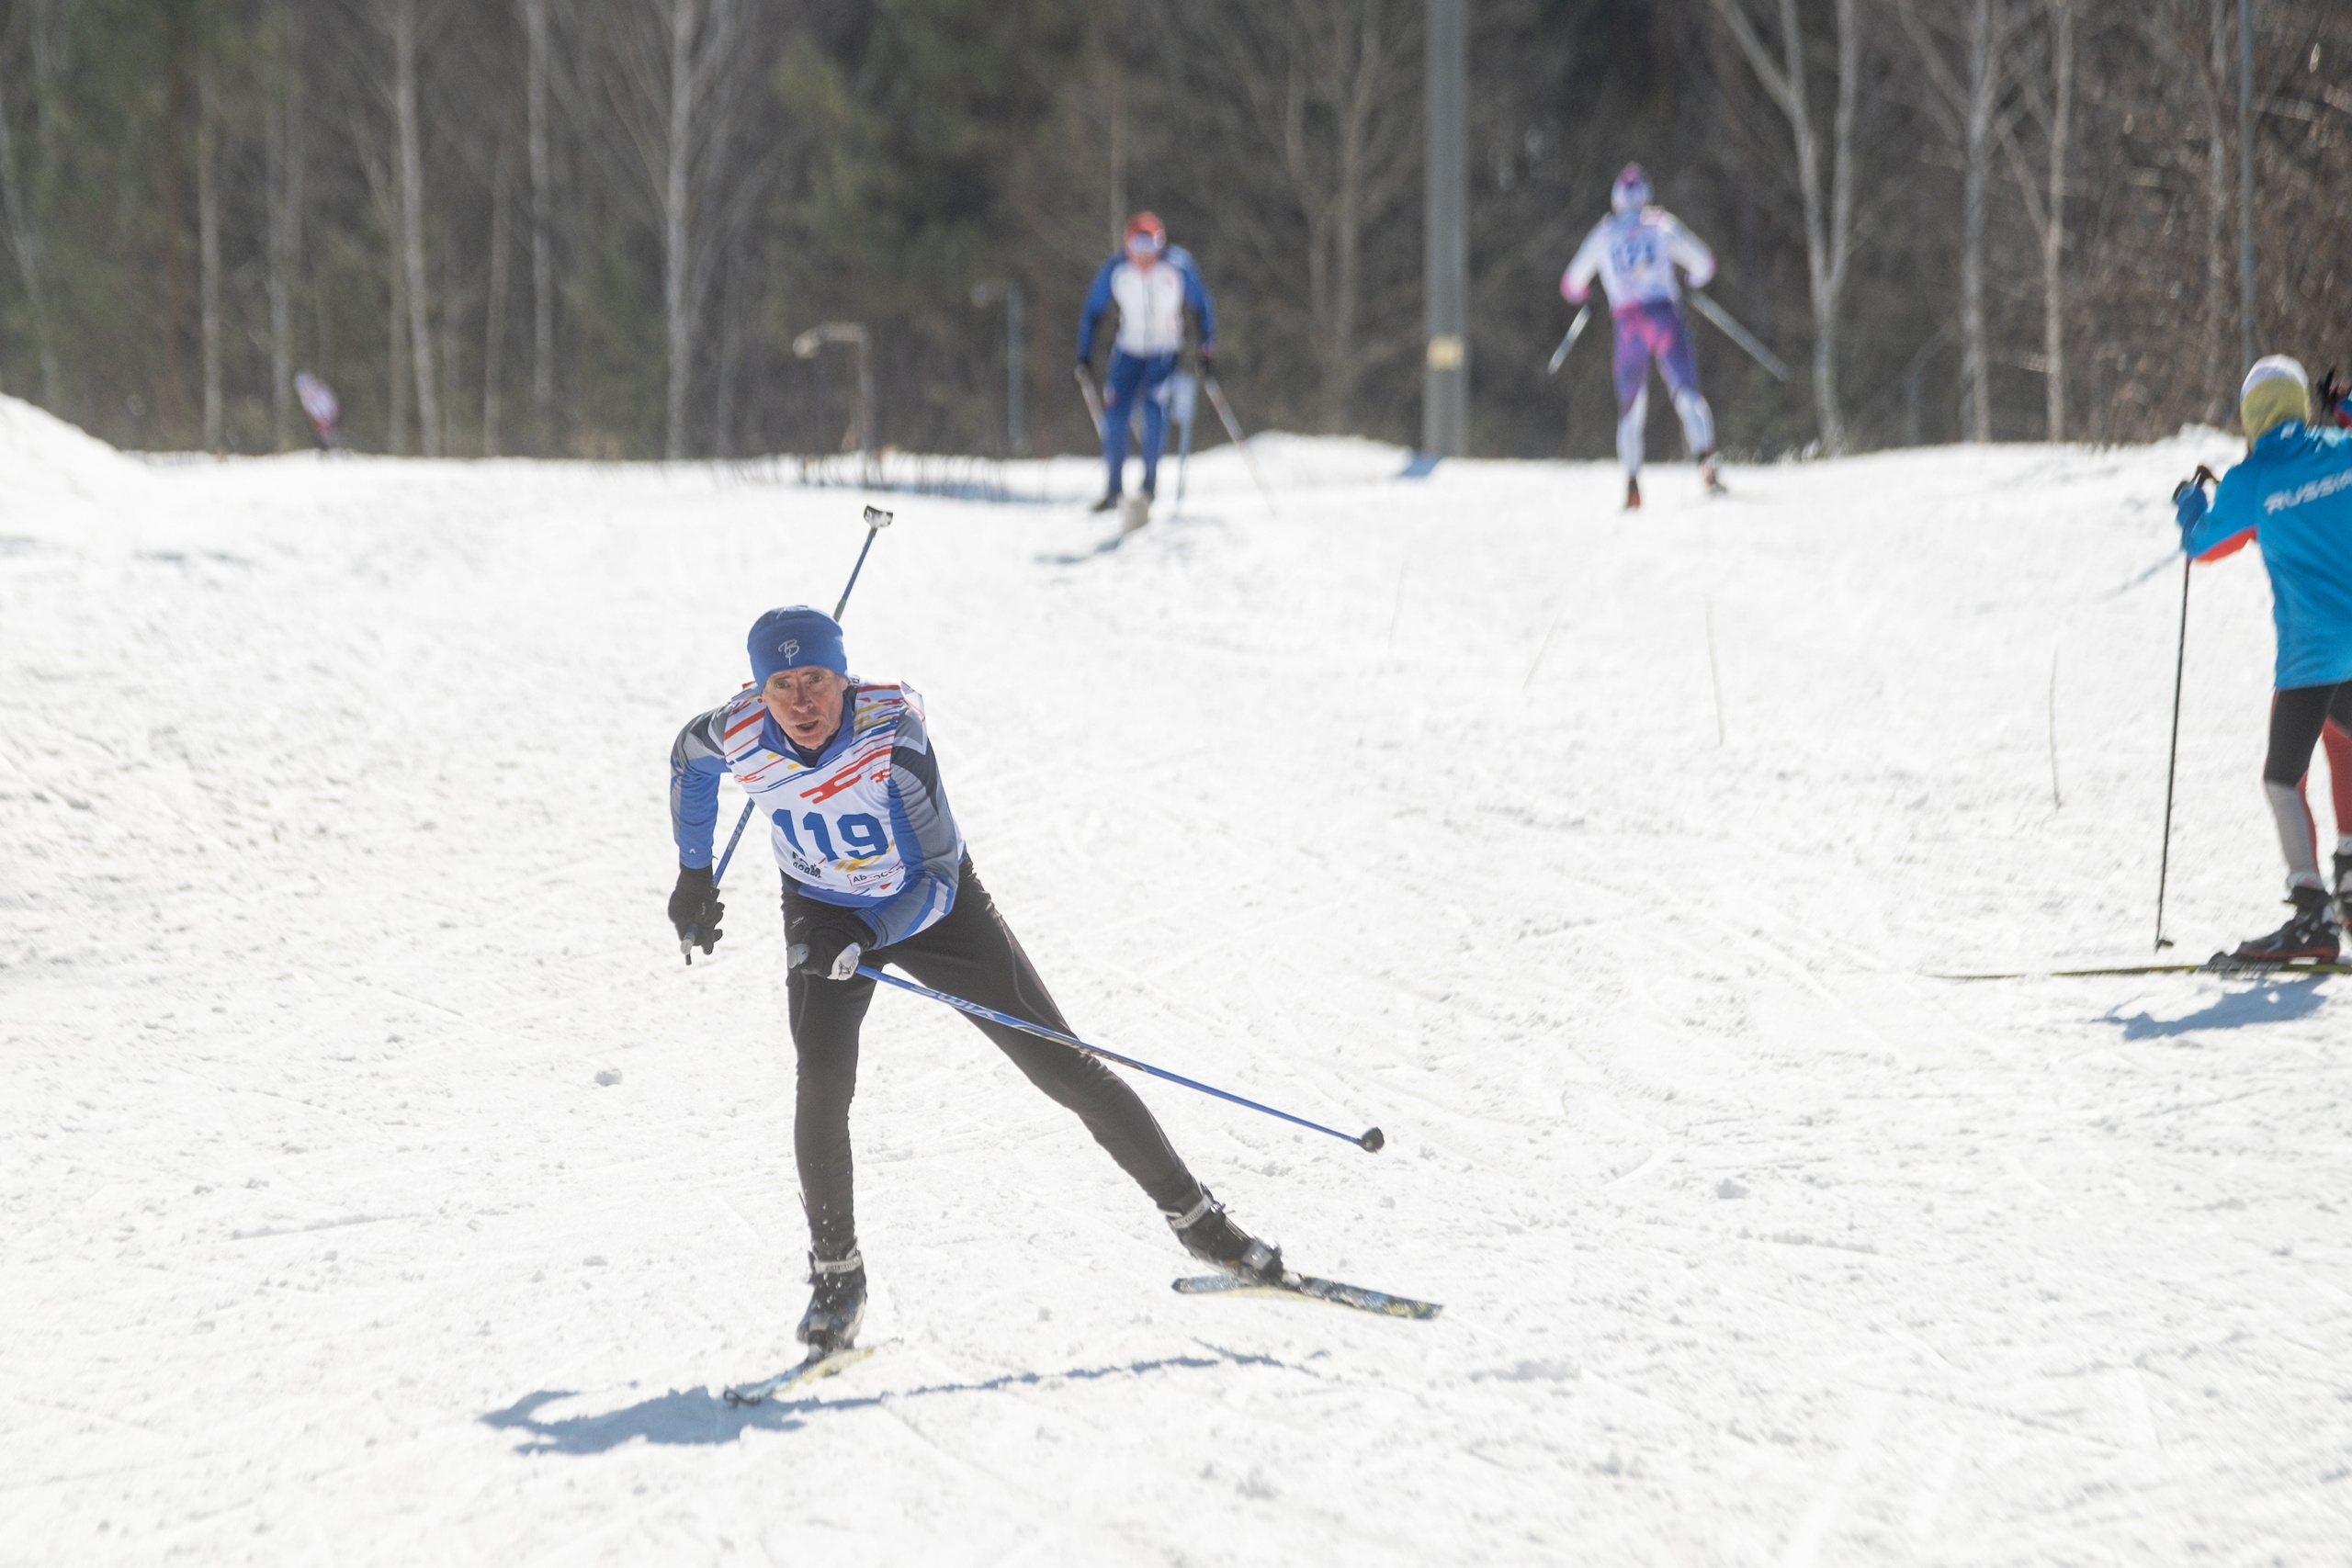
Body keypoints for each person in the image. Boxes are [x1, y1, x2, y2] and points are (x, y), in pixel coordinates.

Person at [664, 605, 1281, 1355]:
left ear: (844, 676)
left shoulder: (891, 739)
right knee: (820, 1082)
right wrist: (695, 875)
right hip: (822, 905)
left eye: (817, 680)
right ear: (759, 691)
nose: (801, 702)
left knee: (1061, 1064)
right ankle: (837, 1278)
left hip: (930, 905)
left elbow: (936, 879)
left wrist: (867, 932)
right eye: (782, 685)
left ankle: (1203, 1223)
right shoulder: (736, 730)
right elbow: (686, 763)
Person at [2175, 355, 2352, 961]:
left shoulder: (2252, 479)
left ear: (2252, 416)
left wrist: (2190, 505)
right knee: (2345, 737)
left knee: (2282, 781)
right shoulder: (2339, 445)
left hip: (2310, 659)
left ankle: (2312, 917)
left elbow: (2203, 545)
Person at [1561, 163, 1722, 511]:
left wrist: (1590, 296)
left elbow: (1571, 283)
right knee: (1686, 392)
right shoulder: (1660, 225)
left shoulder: (1604, 234)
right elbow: (1704, 263)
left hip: (1629, 323)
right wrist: (1690, 283)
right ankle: (1706, 463)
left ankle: (1632, 485)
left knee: (1631, 409)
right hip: (1663, 315)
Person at [1077, 212, 1216, 513]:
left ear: (1160, 244)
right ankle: (1114, 489)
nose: (1144, 254)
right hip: (1128, 351)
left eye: (1151, 245)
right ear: (1127, 244)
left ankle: (1149, 486)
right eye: (1138, 244)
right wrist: (1084, 354)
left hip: (1164, 352)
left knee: (1154, 413)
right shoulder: (1116, 270)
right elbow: (1092, 312)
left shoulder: (1177, 267)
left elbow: (1202, 306)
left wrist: (1207, 350)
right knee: (1115, 417)